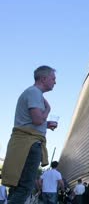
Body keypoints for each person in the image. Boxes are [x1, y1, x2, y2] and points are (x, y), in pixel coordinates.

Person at [2, 65, 56, 203]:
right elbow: (38, 120)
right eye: (53, 78)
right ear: (44, 79)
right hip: (29, 143)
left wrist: (46, 124)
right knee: (25, 186)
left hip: (23, 142)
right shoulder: (34, 93)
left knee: (18, 185)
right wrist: (48, 110)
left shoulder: (32, 92)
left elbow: (33, 120)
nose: (55, 82)